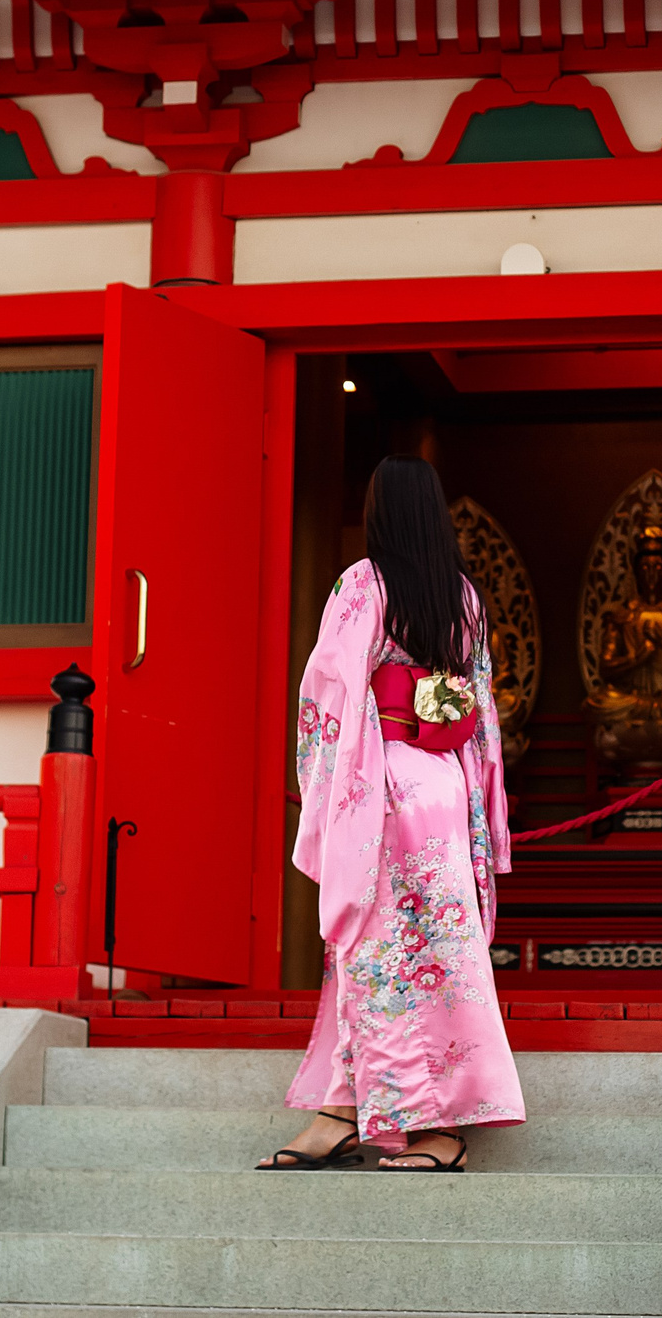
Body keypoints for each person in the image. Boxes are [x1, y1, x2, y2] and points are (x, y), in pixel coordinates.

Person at [259, 455, 523, 1173]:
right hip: (443, 778)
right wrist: (478, 807)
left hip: (383, 785)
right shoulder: (463, 596)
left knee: (377, 951)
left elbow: (331, 694)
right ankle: (348, 1107)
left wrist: (330, 791)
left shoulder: (362, 584)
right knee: (442, 957)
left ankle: (433, 1125)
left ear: (380, 511)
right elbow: (480, 706)